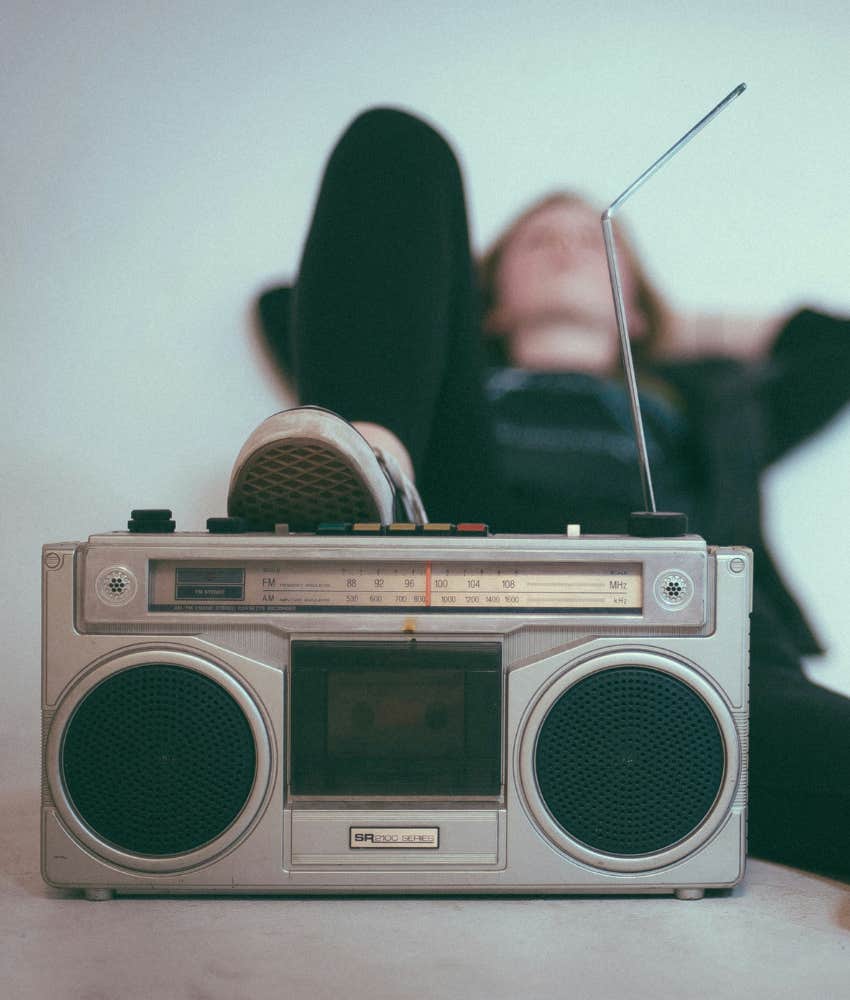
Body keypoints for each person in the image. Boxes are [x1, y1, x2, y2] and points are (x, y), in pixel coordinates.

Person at [230, 107, 850, 878]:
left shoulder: (706, 401)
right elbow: (290, 305)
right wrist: (447, 323)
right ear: (489, 294)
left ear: (639, 297)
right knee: (399, 142)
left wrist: (656, 323)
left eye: (596, 244)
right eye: (538, 240)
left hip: (688, 627)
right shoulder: (446, 388)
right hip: (467, 567)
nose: (565, 246)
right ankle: (378, 474)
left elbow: (833, 344)